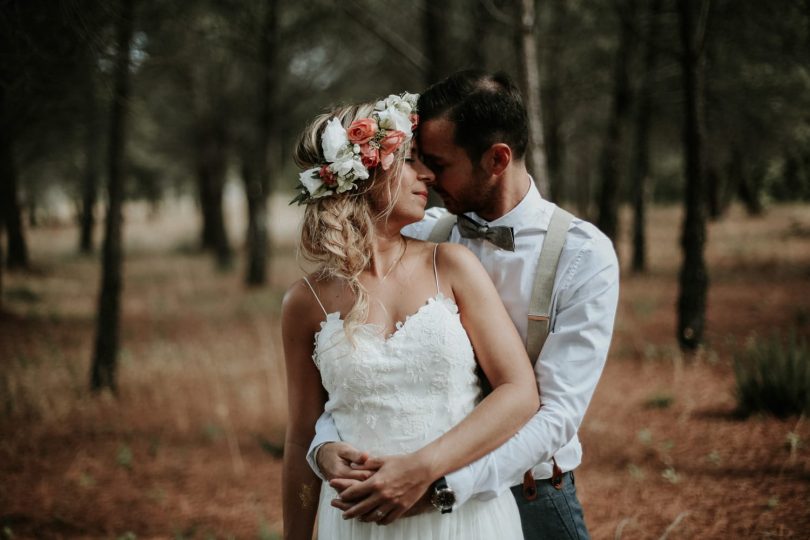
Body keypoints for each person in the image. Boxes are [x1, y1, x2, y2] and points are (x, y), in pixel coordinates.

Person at [309, 71, 620, 539]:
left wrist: (440, 486)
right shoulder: (418, 233)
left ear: (497, 159)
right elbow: (369, 373)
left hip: (531, 494)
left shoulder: (583, 255)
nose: (428, 178)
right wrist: (324, 446)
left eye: (438, 162)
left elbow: (555, 414)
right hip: (402, 493)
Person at [281, 92, 539, 540]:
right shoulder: (305, 303)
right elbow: (302, 436)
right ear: (361, 172)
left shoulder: (452, 265)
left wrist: (422, 470)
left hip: (462, 520)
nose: (428, 175)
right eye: (410, 160)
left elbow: (519, 393)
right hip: (357, 523)